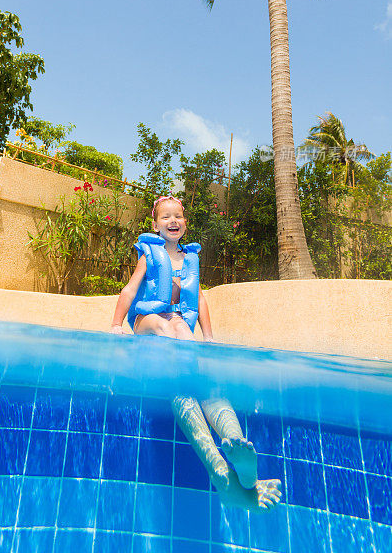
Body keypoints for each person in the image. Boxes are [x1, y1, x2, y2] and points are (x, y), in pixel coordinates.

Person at [110, 195, 282, 512]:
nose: (173, 221)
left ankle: (230, 449)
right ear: (154, 224)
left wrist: (210, 336)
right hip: (148, 321)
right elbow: (131, 290)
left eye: (178, 216)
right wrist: (116, 325)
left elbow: (199, 301)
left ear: (185, 223)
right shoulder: (150, 256)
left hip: (178, 325)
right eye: (166, 217)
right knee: (170, 333)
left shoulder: (190, 260)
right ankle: (224, 461)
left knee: (196, 375)